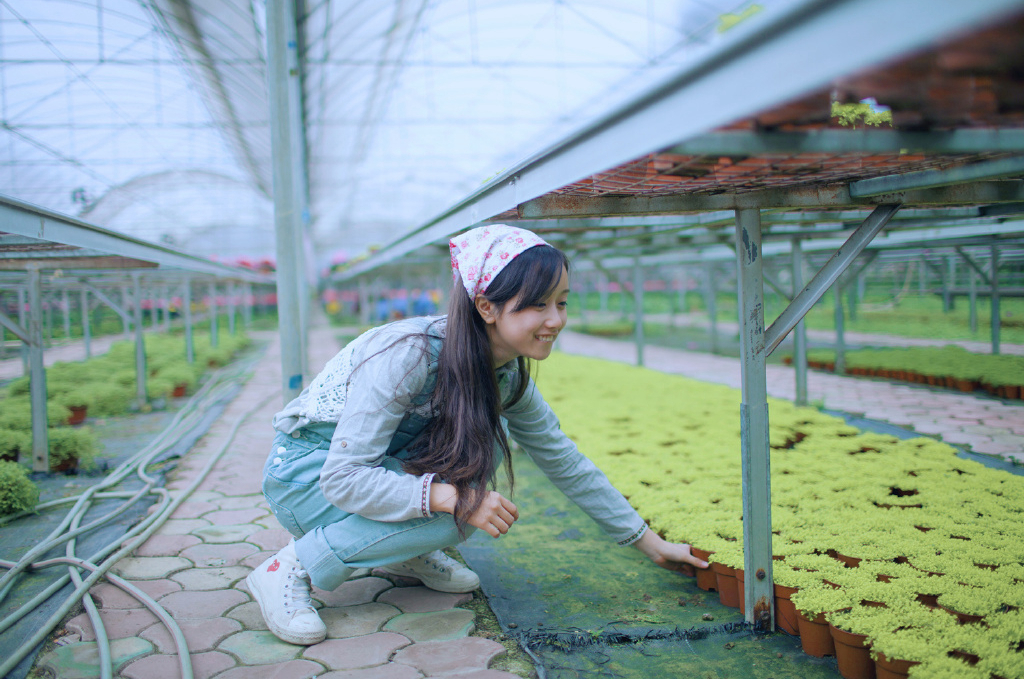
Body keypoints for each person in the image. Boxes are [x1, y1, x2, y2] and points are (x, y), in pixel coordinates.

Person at [246, 225, 709, 645]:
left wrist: (647, 541)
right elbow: (343, 478)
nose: (557, 320)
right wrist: (453, 499)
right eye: (537, 304)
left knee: (474, 461)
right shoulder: (408, 355)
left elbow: (562, 460)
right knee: (457, 507)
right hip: (306, 477)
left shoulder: (507, 376)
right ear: (486, 307)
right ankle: (289, 566)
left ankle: (402, 549)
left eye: (562, 301)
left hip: (375, 473)